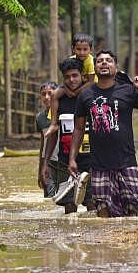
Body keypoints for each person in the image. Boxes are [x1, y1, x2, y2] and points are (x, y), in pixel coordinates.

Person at [68, 50, 138, 218]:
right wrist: (72, 158)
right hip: (98, 163)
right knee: (102, 209)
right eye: (100, 61)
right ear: (94, 68)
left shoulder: (128, 90)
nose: (104, 63)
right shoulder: (85, 95)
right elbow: (79, 129)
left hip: (126, 160)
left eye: (108, 61)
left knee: (135, 206)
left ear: (115, 68)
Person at [41, 58, 94, 214]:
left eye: (75, 75)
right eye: (67, 77)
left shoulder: (91, 96)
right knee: (69, 205)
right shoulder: (58, 99)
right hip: (65, 161)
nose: (71, 80)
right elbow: (54, 133)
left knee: (92, 204)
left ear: (82, 76)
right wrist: (45, 164)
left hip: (91, 160)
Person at [46, 33, 95, 137]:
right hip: (71, 86)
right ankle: (54, 123)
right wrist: (69, 91)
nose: (82, 52)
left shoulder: (90, 62)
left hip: (87, 85)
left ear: (90, 49)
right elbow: (65, 77)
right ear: (73, 49)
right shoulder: (71, 59)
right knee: (54, 95)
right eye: (78, 49)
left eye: (85, 49)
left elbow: (91, 82)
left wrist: (75, 92)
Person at [36, 81, 58, 197]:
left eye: (50, 93)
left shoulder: (64, 113)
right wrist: (40, 171)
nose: (47, 97)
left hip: (63, 161)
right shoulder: (40, 118)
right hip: (48, 162)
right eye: (43, 94)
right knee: (49, 198)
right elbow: (42, 145)